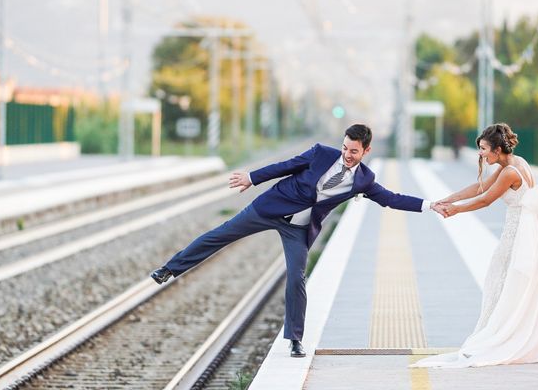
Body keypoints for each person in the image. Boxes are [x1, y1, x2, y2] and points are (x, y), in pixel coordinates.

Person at [151, 124, 445, 357]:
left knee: (296, 278)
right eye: (345, 148)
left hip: (299, 229)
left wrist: (430, 205)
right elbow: (286, 166)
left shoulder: (364, 180)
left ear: (365, 151)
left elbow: (391, 199)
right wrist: (252, 177)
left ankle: (294, 340)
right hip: (270, 208)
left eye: (353, 151)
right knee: (219, 235)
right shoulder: (320, 153)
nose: (347, 154)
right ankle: (169, 269)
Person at [412, 123, 538, 368]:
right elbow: (480, 187)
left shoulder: (510, 172)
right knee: (516, 283)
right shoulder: (515, 163)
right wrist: (448, 199)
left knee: (506, 282)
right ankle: (534, 336)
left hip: (521, 233)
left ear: (498, 149)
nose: (481, 153)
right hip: (525, 230)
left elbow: (486, 199)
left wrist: (455, 210)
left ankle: (508, 336)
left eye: (484, 149)